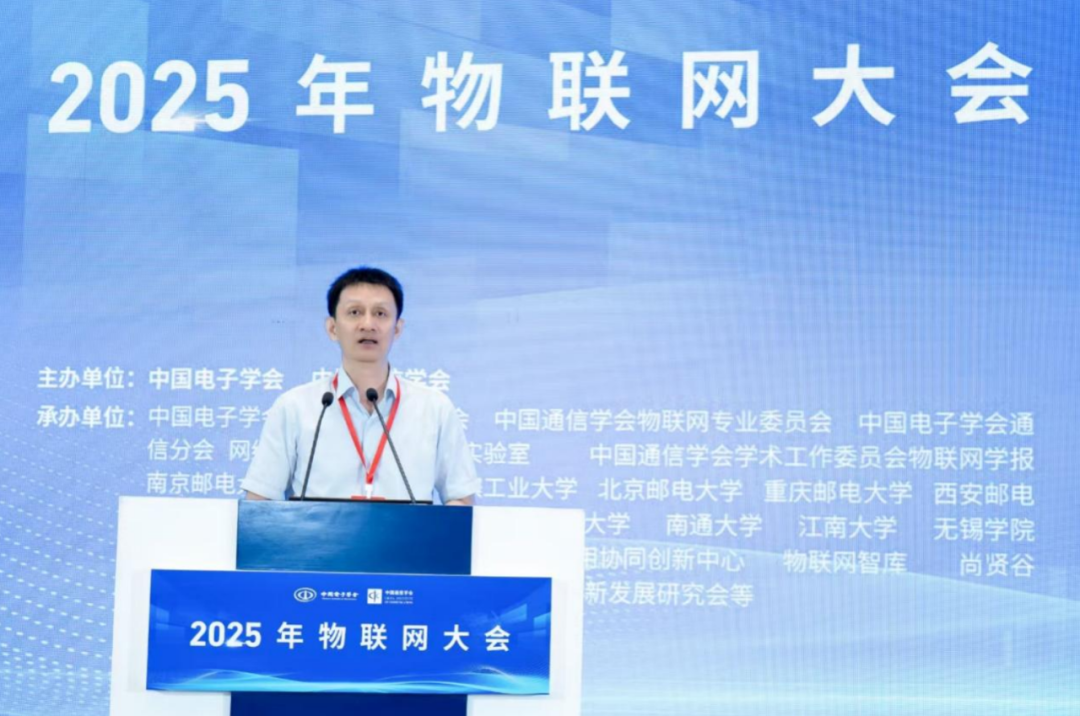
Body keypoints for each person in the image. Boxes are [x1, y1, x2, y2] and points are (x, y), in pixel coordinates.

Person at [241, 267, 479, 504]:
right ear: (333, 328)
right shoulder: (295, 406)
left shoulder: (434, 408)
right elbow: (259, 500)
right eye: (355, 312)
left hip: (409, 531)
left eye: (380, 313)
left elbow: (460, 499)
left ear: (397, 329)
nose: (368, 324)